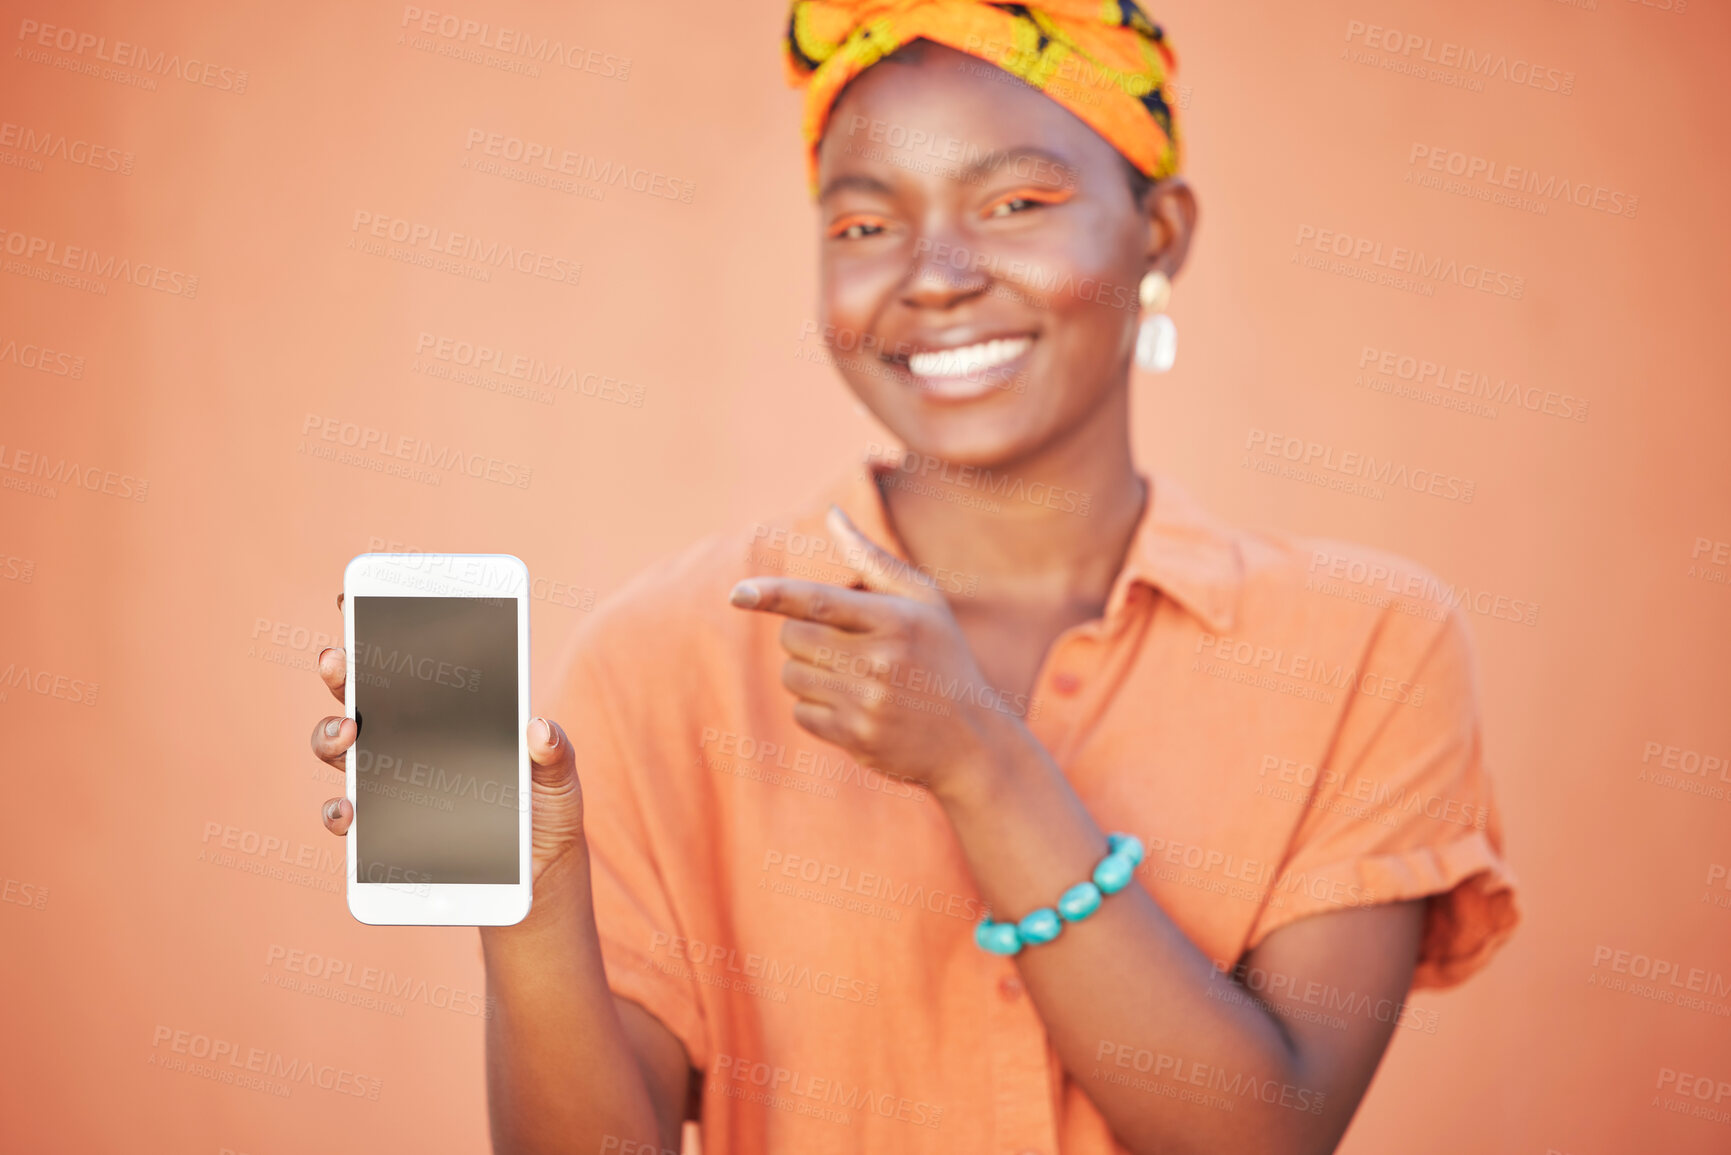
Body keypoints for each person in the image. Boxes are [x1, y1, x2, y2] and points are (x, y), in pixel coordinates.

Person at [309, 3, 1518, 1152]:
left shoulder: (1368, 645)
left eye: (1016, 202)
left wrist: (980, 761)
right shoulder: (660, 658)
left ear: (1161, 235)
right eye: (864, 225)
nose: (933, 275)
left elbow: (1259, 1132)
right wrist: (532, 908)